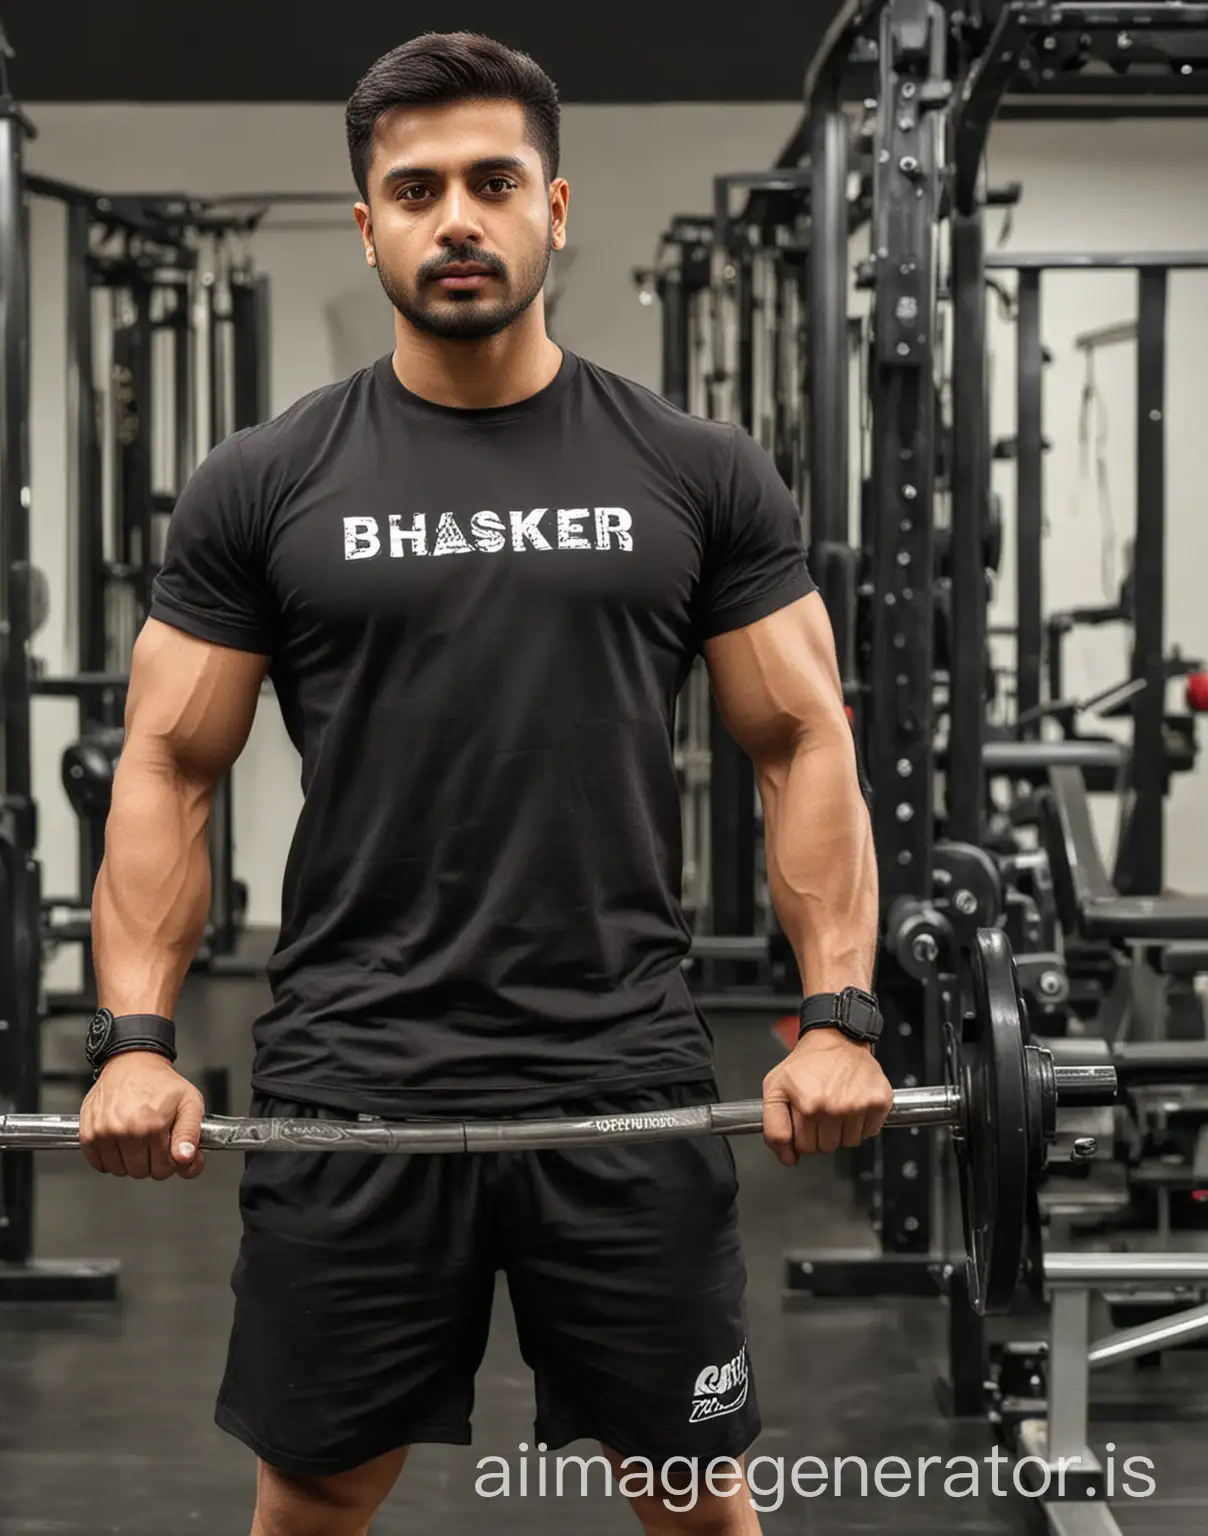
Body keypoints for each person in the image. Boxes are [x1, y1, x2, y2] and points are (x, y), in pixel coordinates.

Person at [79, 31, 891, 1536]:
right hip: (356, 1077)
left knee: (699, 1499)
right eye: (418, 187)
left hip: (625, 1074)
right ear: (368, 223)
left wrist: (839, 1014)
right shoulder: (264, 482)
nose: (459, 216)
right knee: (314, 1499)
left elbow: (802, 740)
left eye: (494, 181)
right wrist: (134, 1038)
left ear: (557, 208)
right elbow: (169, 765)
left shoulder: (698, 468)